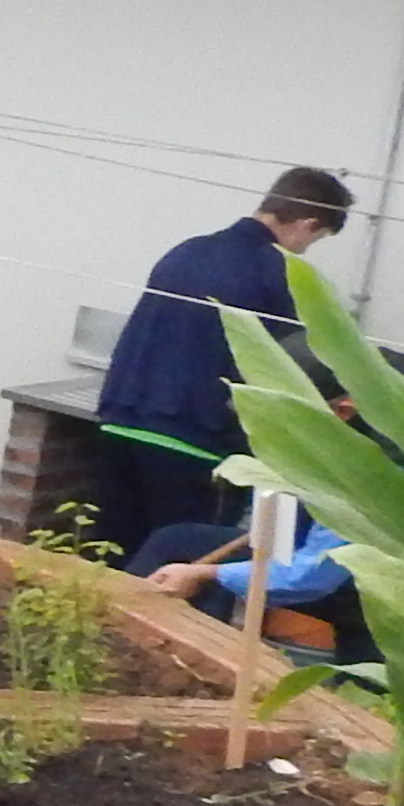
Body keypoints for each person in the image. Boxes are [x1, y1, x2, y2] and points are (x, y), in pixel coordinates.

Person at [88, 165, 356, 561]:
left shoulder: (185, 250)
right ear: (307, 224)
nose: (304, 250)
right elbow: (298, 364)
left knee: (109, 559)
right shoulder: (279, 272)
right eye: (313, 240)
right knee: (179, 570)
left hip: (120, 424)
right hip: (195, 441)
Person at [131, 508, 373, 667]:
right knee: (176, 541)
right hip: (304, 555)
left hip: (370, 587)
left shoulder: (364, 473)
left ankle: (206, 669)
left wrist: (205, 573)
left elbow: (314, 574)